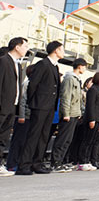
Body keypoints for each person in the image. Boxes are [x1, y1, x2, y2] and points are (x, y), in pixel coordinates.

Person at [16, 41, 62, 175]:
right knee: (33, 135)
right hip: (40, 105)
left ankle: (37, 163)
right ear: (56, 50)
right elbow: (33, 85)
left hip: (49, 106)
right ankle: (24, 165)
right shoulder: (43, 64)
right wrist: (34, 102)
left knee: (43, 136)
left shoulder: (55, 67)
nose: (63, 52)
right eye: (62, 49)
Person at [50, 57, 86, 172]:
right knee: (62, 139)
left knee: (68, 140)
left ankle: (60, 162)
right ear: (79, 66)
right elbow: (66, 96)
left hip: (74, 113)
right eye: (84, 67)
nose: (85, 69)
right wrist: (65, 113)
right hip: (69, 114)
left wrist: (79, 112)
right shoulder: (70, 78)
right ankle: (55, 163)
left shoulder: (77, 79)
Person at [0, 37, 29, 177]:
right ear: (17, 47)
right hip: (2, 105)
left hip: (12, 106)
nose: (27, 49)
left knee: (3, 137)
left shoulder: (18, 65)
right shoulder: (3, 61)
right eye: (25, 46)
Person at [77, 72, 99, 171]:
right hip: (92, 119)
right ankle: (82, 161)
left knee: (92, 141)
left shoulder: (98, 89)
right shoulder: (93, 90)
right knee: (87, 141)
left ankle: (87, 160)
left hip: (98, 119)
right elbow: (90, 106)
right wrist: (92, 119)